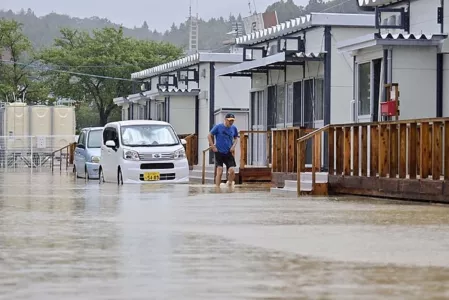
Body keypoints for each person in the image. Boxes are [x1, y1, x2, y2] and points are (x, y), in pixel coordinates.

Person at [208, 113, 239, 187]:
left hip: (228, 152)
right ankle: (217, 187)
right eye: (229, 120)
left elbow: (236, 138)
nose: (231, 122)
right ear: (225, 120)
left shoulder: (233, 128)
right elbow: (209, 135)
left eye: (232, 121)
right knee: (220, 170)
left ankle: (229, 184)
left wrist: (233, 146)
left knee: (232, 171)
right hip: (219, 151)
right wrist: (212, 146)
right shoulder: (218, 127)